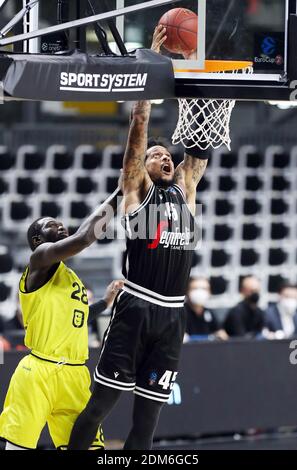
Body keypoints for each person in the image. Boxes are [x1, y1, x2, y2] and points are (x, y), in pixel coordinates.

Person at [68, 25, 209, 451]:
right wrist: (153, 56)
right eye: (156, 155)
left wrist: (197, 69)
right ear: (140, 167)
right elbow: (140, 120)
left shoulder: (186, 189)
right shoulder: (135, 191)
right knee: (101, 406)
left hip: (172, 316)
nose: (164, 157)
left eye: (168, 155)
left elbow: (199, 146)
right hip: (137, 307)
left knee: (148, 421)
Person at [0, 186, 123, 450]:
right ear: (37, 239)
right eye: (52, 226)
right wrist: (120, 192)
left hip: (75, 374)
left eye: (61, 225)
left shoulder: (70, 278)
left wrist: (106, 301)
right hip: (39, 371)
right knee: (19, 447)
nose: (61, 227)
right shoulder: (39, 260)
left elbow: (77, 317)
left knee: (89, 448)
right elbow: (84, 238)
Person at [185, 276, 228, 341]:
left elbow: (221, 334)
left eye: (204, 289)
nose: (199, 293)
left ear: (209, 292)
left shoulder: (209, 313)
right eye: (195, 288)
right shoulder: (180, 313)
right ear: (187, 291)